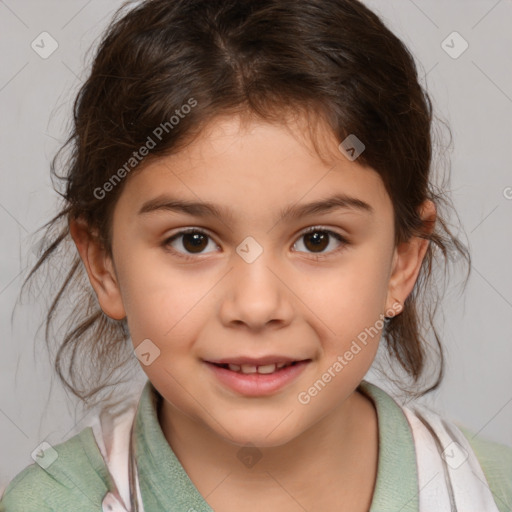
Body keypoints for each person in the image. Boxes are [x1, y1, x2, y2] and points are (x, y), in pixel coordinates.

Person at [1, 0, 510, 510]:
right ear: (104, 265)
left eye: (317, 240)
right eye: (193, 241)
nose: (257, 305)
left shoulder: (491, 491)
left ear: (402, 260)